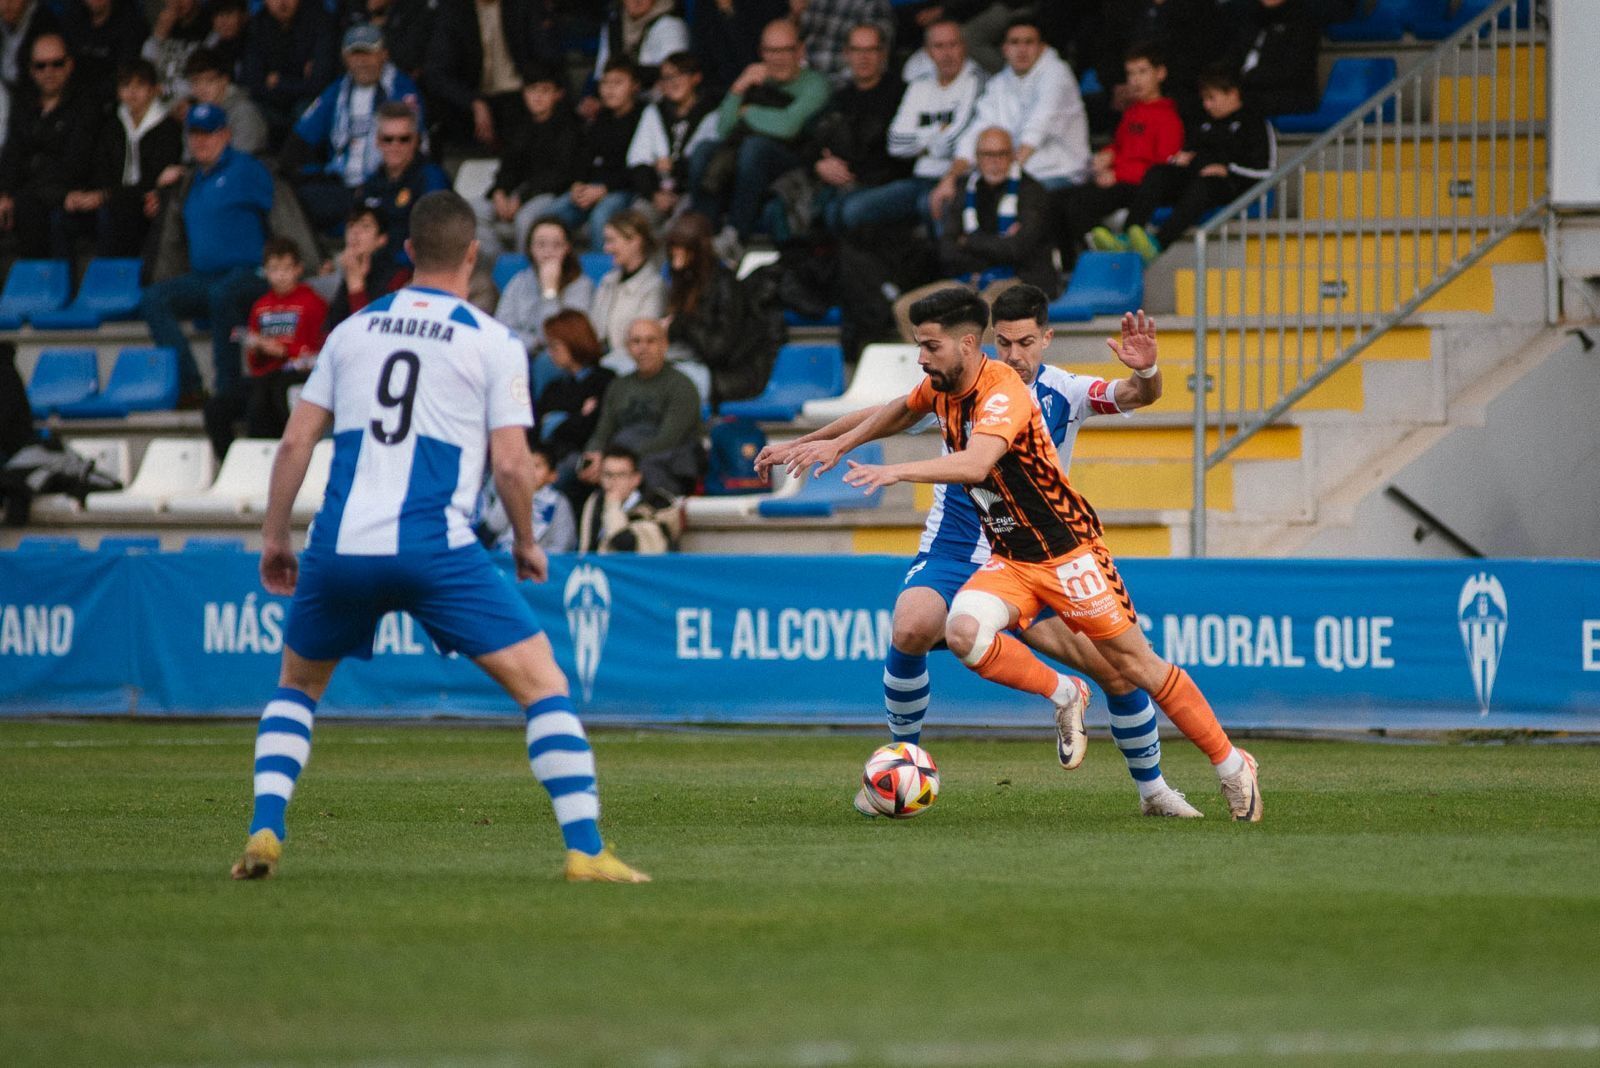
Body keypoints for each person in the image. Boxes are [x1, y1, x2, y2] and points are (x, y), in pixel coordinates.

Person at [232, 189, 648, 884]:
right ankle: (585, 850)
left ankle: (266, 827)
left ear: (407, 253)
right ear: (473, 254)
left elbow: (295, 442)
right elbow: (514, 463)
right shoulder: (491, 341)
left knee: (297, 688)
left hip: (339, 545)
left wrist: (277, 539)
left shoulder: (353, 329)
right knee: (543, 684)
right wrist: (525, 540)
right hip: (433, 545)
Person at [797, 286, 1264, 820]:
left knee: (1131, 667)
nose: (1015, 354)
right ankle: (1060, 694)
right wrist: (829, 442)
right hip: (1003, 554)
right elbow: (897, 411)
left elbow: (987, 459)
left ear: (1046, 338)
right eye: (1005, 342)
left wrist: (895, 470)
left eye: (1025, 342)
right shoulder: (953, 379)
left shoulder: (1028, 392)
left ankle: (1220, 768)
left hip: (1066, 554)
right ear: (984, 342)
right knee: (957, 630)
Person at [141, 102, 274, 402]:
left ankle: (226, 389)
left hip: (250, 273)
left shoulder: (246, 168)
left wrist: (299, 259)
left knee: (223, 295)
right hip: (205, 277)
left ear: (225, 134)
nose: (201, 141)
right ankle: (190, 385)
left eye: (209, 133)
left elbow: (281, 210)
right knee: (153, 298)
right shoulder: (191, 179)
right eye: (194, 134)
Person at [890, 125, 1057, 338]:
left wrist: (968, 242)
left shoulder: (1032, 192)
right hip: (970, 279)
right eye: (987, 155)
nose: (994, 161)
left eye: (1001, 154)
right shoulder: (964, 190)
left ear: (1013, 155)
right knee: (908, 308)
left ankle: (984, 372)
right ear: (977, 158)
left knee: (985, 311)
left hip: (1019, 279)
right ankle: (933, 371)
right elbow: (948, 250)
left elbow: (1017, 250)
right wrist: (996, 245)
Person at [1101, 65, 1277, 262]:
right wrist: (1180, 159)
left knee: (1204, 186)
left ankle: (1158, 243)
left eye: (1212, 98)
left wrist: (1227, 170)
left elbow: (1264, 172)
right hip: (1196, 177)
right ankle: (1129, 234)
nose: (1206, 105)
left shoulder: (1255, 124)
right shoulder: (1205, 124)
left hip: (1231, 185)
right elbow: (1191, 154)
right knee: (1159, 173)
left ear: (1233, 94)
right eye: (1204, 99)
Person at [929, 16, 1088, 221]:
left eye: (1028, 42)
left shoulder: (1057, 74)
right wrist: (951, 177)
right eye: (1014, 42)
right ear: (1004, 49)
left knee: (1006, 202)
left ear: (1041, 47)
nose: (1021, 50)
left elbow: (1035, 131)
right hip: (1014, 173)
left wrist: (1002, 178)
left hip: (1061, 174)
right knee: (947, 198)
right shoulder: (999, 83)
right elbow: (977, 132)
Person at [695, 17, 830, 244]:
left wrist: (747, 112)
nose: (777, 58)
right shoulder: (755, 79)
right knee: (704, 151)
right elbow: (724, 128)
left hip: (796, 161)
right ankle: (702, 236)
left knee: (754, 148)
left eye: (785, 50)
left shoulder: (815, 84)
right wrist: (739, 88)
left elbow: (788, 126)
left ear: (800, 50)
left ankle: (736, 236)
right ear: (761, 52)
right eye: (770, 51)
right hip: (747, 161)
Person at [281, 25, 424, 235]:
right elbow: (301, 138)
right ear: (345, 58)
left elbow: (412, 144)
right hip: (341, 187)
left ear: (383, 54)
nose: (361, 62)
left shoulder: (402, 88)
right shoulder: (337, 90)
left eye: (368, 53)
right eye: (355, 55)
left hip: (385, 185)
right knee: (290, 197)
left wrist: (378, 183)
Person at [1055, 44, 1183, 269]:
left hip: (1136, 187)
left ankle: (1099, 260)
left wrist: (1115, 173)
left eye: (1142, 72)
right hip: (1120, 180)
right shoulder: (1132, 112)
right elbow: (1120, 146)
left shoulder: (1169, 118)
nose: (1135, 80)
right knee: (1058, 200)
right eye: (1131, 73)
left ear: (1160, 73)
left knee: (1078, 205)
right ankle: (1071, 267)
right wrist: (1106, 156)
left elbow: (1162, 167)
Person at [203, 236, 327, 459]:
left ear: (298, 269)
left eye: (286, 268)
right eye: (274, 269)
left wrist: (284, 350)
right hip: (264, 374)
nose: (280, 275)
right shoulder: (261, 306)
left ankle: (262, 463)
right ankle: (233, 464)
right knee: (216, 407)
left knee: (261, 402)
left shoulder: (313, 303)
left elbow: (318, 351)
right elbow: (254, 361)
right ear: (265, 271)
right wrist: (258, 348)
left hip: (295, 375)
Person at [664, 211, 783, 405]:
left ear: (697, 249)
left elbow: (718, 350)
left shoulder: (725, 285)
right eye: (672, 248)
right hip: (692, 363)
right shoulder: (684, 282)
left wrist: (680, 323)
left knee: (663, 386)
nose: (674, 254)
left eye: (680, 247)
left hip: (732, 373)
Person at [0, 33, 100, 259]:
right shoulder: (24, 105)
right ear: (31, 70)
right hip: (26, 192)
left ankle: (39, 289)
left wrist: (24, 192)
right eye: (41, 65)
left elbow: (77, 162)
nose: (49, 72)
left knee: (28, 206)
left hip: (63, 191)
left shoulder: (85, 105)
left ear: (70, 64)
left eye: (57, 64)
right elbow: (12, 154)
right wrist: (3, 193)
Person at [807, 22, 910, 236]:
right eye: (857, 50)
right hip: (845, 184)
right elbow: (809, 139)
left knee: (843, 210)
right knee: (798, 209)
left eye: (871, 50)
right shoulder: (840, 98)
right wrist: (820, 164)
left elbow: (896, 156)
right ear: (846, 54)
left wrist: (850, 169)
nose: (864, 57)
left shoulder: (902, 94)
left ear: (883, 54)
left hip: (886, 183)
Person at [582, 316, 704, 497]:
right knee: (575, 469)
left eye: (651, 340)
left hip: (668, 460)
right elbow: (603, 430)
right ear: (628, 348)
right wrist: (593, 454)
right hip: (623, 457)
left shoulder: (682, 386)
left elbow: (669, 438)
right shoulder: (618, 386)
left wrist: (621, 461)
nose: (643, 348)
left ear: (664, 345)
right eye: (636, 341)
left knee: (639, 470)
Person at [880, 19, 982, 230]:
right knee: (851, 210)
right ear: (927, 52)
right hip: (920, 177)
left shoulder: (977, 80)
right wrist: (934, 139)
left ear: (964, 47)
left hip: (961, 178)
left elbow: (952, 144)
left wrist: (920, 143)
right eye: (939, 46)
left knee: (929, 204)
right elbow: (894, 143)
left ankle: (950, 262)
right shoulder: (920, 85)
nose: (946, 53)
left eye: (953, 45)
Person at [420, 0, 560, 150]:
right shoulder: (454, 11)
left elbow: (546, 59)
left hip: (520, 97)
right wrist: (474, 102)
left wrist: (535, 91)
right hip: (471, 101)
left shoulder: (523, 5)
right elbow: (437, 72)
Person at [474, 61, 580, 257]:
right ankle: (501, 266)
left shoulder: (570, 127)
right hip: (516, 194)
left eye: (545, 91)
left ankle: (524, 271)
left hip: (550, 195)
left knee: (527, 219)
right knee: (473, 211)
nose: (538, 97)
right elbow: (507, 167)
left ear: (558, 94)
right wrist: (500, 192)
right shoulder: (519, 126)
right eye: (532, 90)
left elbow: (560, 175)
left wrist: (521, 198)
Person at [91, 58, 183, 257]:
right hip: (116, 197)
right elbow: (103, 165)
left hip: (149, 198)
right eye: (126, 85)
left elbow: (161, 171)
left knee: (123, 211)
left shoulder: (167, 127)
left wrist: (114, 195)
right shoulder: (113, 125)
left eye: (140, 85)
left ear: (153, 89)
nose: (132, 92)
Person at [549, 59, 642, 249]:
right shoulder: (601, 118)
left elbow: (639, 168)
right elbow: (584, 157)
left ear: (635, 86)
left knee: (602, 216)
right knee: (550, 216)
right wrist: (577, 184)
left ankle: (605, 275)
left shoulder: (644, 116)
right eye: (605, 83)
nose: (609, 89)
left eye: (617, 83)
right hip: (592, 188)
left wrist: (604, 189)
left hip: (625, 189)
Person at [496, 215, 595, 396]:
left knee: (547, 360)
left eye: (556, 245)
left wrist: (550, 291)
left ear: (567, 248)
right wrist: (533, 342)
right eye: (541, 245)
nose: (548, 252)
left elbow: (560, 337)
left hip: (560, 357)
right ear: (530, 249)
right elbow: (501, 330)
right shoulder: (519, 282)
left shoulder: (581, 285)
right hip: (524, 350)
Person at [625, 50, 717, 227]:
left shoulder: (711, 113)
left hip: (692, 194)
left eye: (679, 75)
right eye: (667, 77)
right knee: (633, 226)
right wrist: (654, 194)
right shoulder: (654, 111)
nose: (673, 82)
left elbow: (702, 163)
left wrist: (673, 166)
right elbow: (638, 160)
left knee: (676, 231)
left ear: (696, 78)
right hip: (655, 193)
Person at [352, 101, 448, 263]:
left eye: (404, 139)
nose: (395, 146)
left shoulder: (431, 178)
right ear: (377, 141)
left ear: (416, 140)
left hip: (412, 270)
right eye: (388, 139)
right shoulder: (371, 182)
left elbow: (435, 240)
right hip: (369, 269)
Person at [239, 0, 339, 145]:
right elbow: (251, 80)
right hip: (271, 104)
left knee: (307, 111)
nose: (283, 2)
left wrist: (278, 82)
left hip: (307, 102)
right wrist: (299, 79)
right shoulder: (257, 25)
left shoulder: (320, 20)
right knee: (248, 108)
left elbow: (320, 82)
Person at [534, 309, 614, 469]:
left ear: (574, 342)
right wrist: (576, 416)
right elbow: (538, 429)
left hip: (579, 460)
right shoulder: (554, 386)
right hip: (545, 460)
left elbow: (588, 429)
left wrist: (555, 421)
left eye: (555, 346)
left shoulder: (604, 380)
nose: (550, 353)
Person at [576, 444, 682, 554]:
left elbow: (624, 543)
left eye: (621, 475)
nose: (613, 481)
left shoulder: (658, 505)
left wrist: (613, 505)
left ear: (636, 479)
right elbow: (586, 547)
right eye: (608, 474)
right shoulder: (595, 501)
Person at [589, 208, 664, 361]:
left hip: (630, 362)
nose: (606, 248)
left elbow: (643, 339)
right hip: (599, 359)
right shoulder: (607, 281)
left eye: (611, 241)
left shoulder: (654, 286)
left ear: (635, 241)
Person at [322, 204, 410, 332]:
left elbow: (371, 331)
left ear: (381, 239)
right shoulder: (348, 271)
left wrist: (356, 286)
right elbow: (330, 330)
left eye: (365, 226)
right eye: (351, 225)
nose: (355, 232)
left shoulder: (399, 277)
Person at [477, 443, 577, 554]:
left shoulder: (559, 502)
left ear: (552, 476)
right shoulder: (511, 492)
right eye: (525, 465)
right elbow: (494, 526)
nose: (530, 471)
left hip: (542, 563)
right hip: (504, 558)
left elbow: (563, 543)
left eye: (537, 466)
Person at [1226, 0, 1319, 118]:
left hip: (1287, 93)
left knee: (1243, 103)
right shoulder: (1250, 18)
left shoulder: (1303, 22)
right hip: (1248, 87)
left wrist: (1246, 77)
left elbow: (1292, 70)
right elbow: (1234, 56)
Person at [588, 0, 688, 99]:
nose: (637, 1)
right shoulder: (614, 22)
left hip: (656, 100)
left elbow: (674, 74)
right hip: (622, 101)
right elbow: (602, 70)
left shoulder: (670, 24)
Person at [184, 46, 268, 156]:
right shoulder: (194, 114)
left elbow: (244, 160)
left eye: (209, 81)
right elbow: (189, 158)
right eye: (196, 82)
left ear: (224, 80)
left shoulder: (244, 112)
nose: (202, 88)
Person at [61, 0, 148, 103]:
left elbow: (127, 70)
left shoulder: (131, 25)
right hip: (71, 96)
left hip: (112, 99)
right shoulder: (71, 20)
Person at [790, 0, 892, 86]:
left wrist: (828, 86)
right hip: (800, 79)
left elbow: (876, 61)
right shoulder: (815, 2)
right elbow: (787, 40)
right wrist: (795, 14)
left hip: (839, 87)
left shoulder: (873, 5)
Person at [141, 0, 207, 107]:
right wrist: (158, 36)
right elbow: (143, 69)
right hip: (155, 103)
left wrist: (164, 90)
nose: (177, 2)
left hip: (191, 104)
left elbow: (206, 81)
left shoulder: (209, 30)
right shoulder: (161, 29)